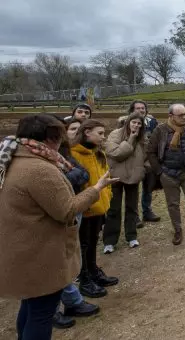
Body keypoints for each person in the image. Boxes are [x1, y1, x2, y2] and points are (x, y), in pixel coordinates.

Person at [0, 114, 117, 340]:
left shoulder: (12, 157)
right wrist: (96, 188)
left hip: (22, 250)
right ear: (50, 138)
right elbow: (66, 209)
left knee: (31, 307)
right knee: (42, 313)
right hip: (39, 255)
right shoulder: (39, 169)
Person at [48, 116, 101, 329]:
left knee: (67, 256)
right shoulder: (41, 163)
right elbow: (75, 176)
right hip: (58, 215)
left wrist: (72, 176)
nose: (64, 137)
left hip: (73, 207)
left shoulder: (62, 154)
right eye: (59, 133)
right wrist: (73, 177)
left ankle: (72, 300)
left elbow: (83, 173)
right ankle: (52, 311)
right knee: (54, 262)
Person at [70, 119, 119, 298]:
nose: (103, 137)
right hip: (85, 208)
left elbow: (105, 176)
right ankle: (84, 280)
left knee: (92, 242)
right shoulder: (73, 155)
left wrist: (109, 196)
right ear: (86, 132)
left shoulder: (98, 153)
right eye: (100, 133)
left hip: (100, 207)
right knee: (82, 245)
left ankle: (93, 271)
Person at [146, 103, 185, 245]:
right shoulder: (160, 130)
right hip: (169, 174)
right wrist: (160, 172)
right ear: (171, 116)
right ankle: (177, 230)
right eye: (180, 115)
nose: (184, 117)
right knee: (173, 204)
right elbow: (150, 152)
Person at [103, 112, 148, 254]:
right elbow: (116, 153)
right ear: (128, 122)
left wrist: (144, 169)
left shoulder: (142, 138)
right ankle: (110, 241)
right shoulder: (115, 134)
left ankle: (131, 236)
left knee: (132, 207)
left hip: (134, 177)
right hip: (116, 176)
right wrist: (130, 139)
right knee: (114, 209)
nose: (136, 125)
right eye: (134, 122)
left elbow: (147, 155)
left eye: (139, 123)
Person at [118, 100, 161, 226]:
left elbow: (156, 138)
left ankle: (147, 211)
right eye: (137, 108)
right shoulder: (124, 123)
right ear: (132, 110)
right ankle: (134, 216)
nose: (141, 110)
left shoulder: (152, 122)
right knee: (133, 188)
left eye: (143, 108)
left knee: (148, 186)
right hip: (133, 159)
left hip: (148, 159)